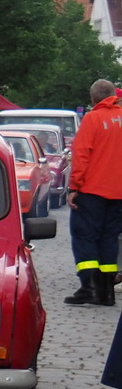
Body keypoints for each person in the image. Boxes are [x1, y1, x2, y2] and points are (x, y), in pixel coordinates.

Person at [66, 79, 122, 307]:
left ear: (93, 99)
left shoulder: (92, 118)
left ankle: (89, 286)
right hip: (119, 193)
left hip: (92, 191)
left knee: (85, 237)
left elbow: (81, 155)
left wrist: (74, 187)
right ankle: (107, 292)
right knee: (109, 239)